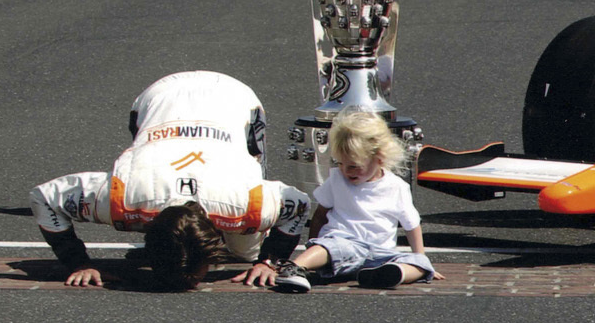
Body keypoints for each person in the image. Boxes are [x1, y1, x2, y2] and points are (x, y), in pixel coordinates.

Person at [29, 71, 313, 291]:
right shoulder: (122, 197)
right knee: (246, 251)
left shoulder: (246, 204)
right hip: (159, 97)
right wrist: (76, 262)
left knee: (245, 252)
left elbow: (299, 204)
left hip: (234, 98)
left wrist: (269, 261)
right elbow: (43, 196)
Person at [250, 108, 435, 293]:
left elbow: (412, 225)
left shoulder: (397, 187)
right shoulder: (337, 179)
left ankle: (387, 275)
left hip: (381, 253)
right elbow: (320, 215)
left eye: (354, 166)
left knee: (420, 263)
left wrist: (420, 257)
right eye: (340, 163)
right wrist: (315, 243)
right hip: (344, 244)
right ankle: (294, 268)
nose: (346, 171)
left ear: (380, 158)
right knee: (329, 246)